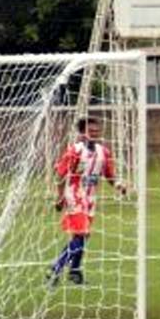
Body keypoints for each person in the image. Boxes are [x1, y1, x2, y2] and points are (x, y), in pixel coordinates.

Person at [47, 117, 126, 286]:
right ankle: (56, 267)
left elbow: (109, 175)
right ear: (83, 133)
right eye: (91, 131)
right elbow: (60, 174)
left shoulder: (103, 152)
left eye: (97, 131)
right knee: (82, 233)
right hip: (74, 195)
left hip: (90, 198)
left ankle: (75, 272)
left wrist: (119, 185)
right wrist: (60, 197)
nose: (95, 134)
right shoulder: (74, 151)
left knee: (82, 236)